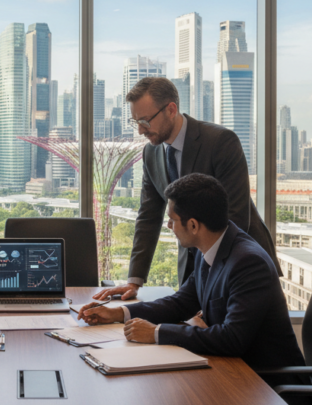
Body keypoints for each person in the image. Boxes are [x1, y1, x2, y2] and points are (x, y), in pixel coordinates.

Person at [78, 174, 309, 403]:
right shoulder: (208, 249)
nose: (168, 226)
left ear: (193, 225)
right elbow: (180, 303)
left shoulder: (248, 263)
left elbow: (232, 338)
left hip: (267, 387)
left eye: (171, 219)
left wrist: (156, 332)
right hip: (233, 372)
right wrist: (118, 314)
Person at [95, 77, 278, 302]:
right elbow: (148, 216)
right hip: (193, 269)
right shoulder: (151, 153)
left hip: (240, 263)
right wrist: (134, 281)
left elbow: (235, 216)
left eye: (145, 121)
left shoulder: (220, 141)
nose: (141, 130)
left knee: (231, 336)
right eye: (136, 122)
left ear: (171, 109)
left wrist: (211, 280)